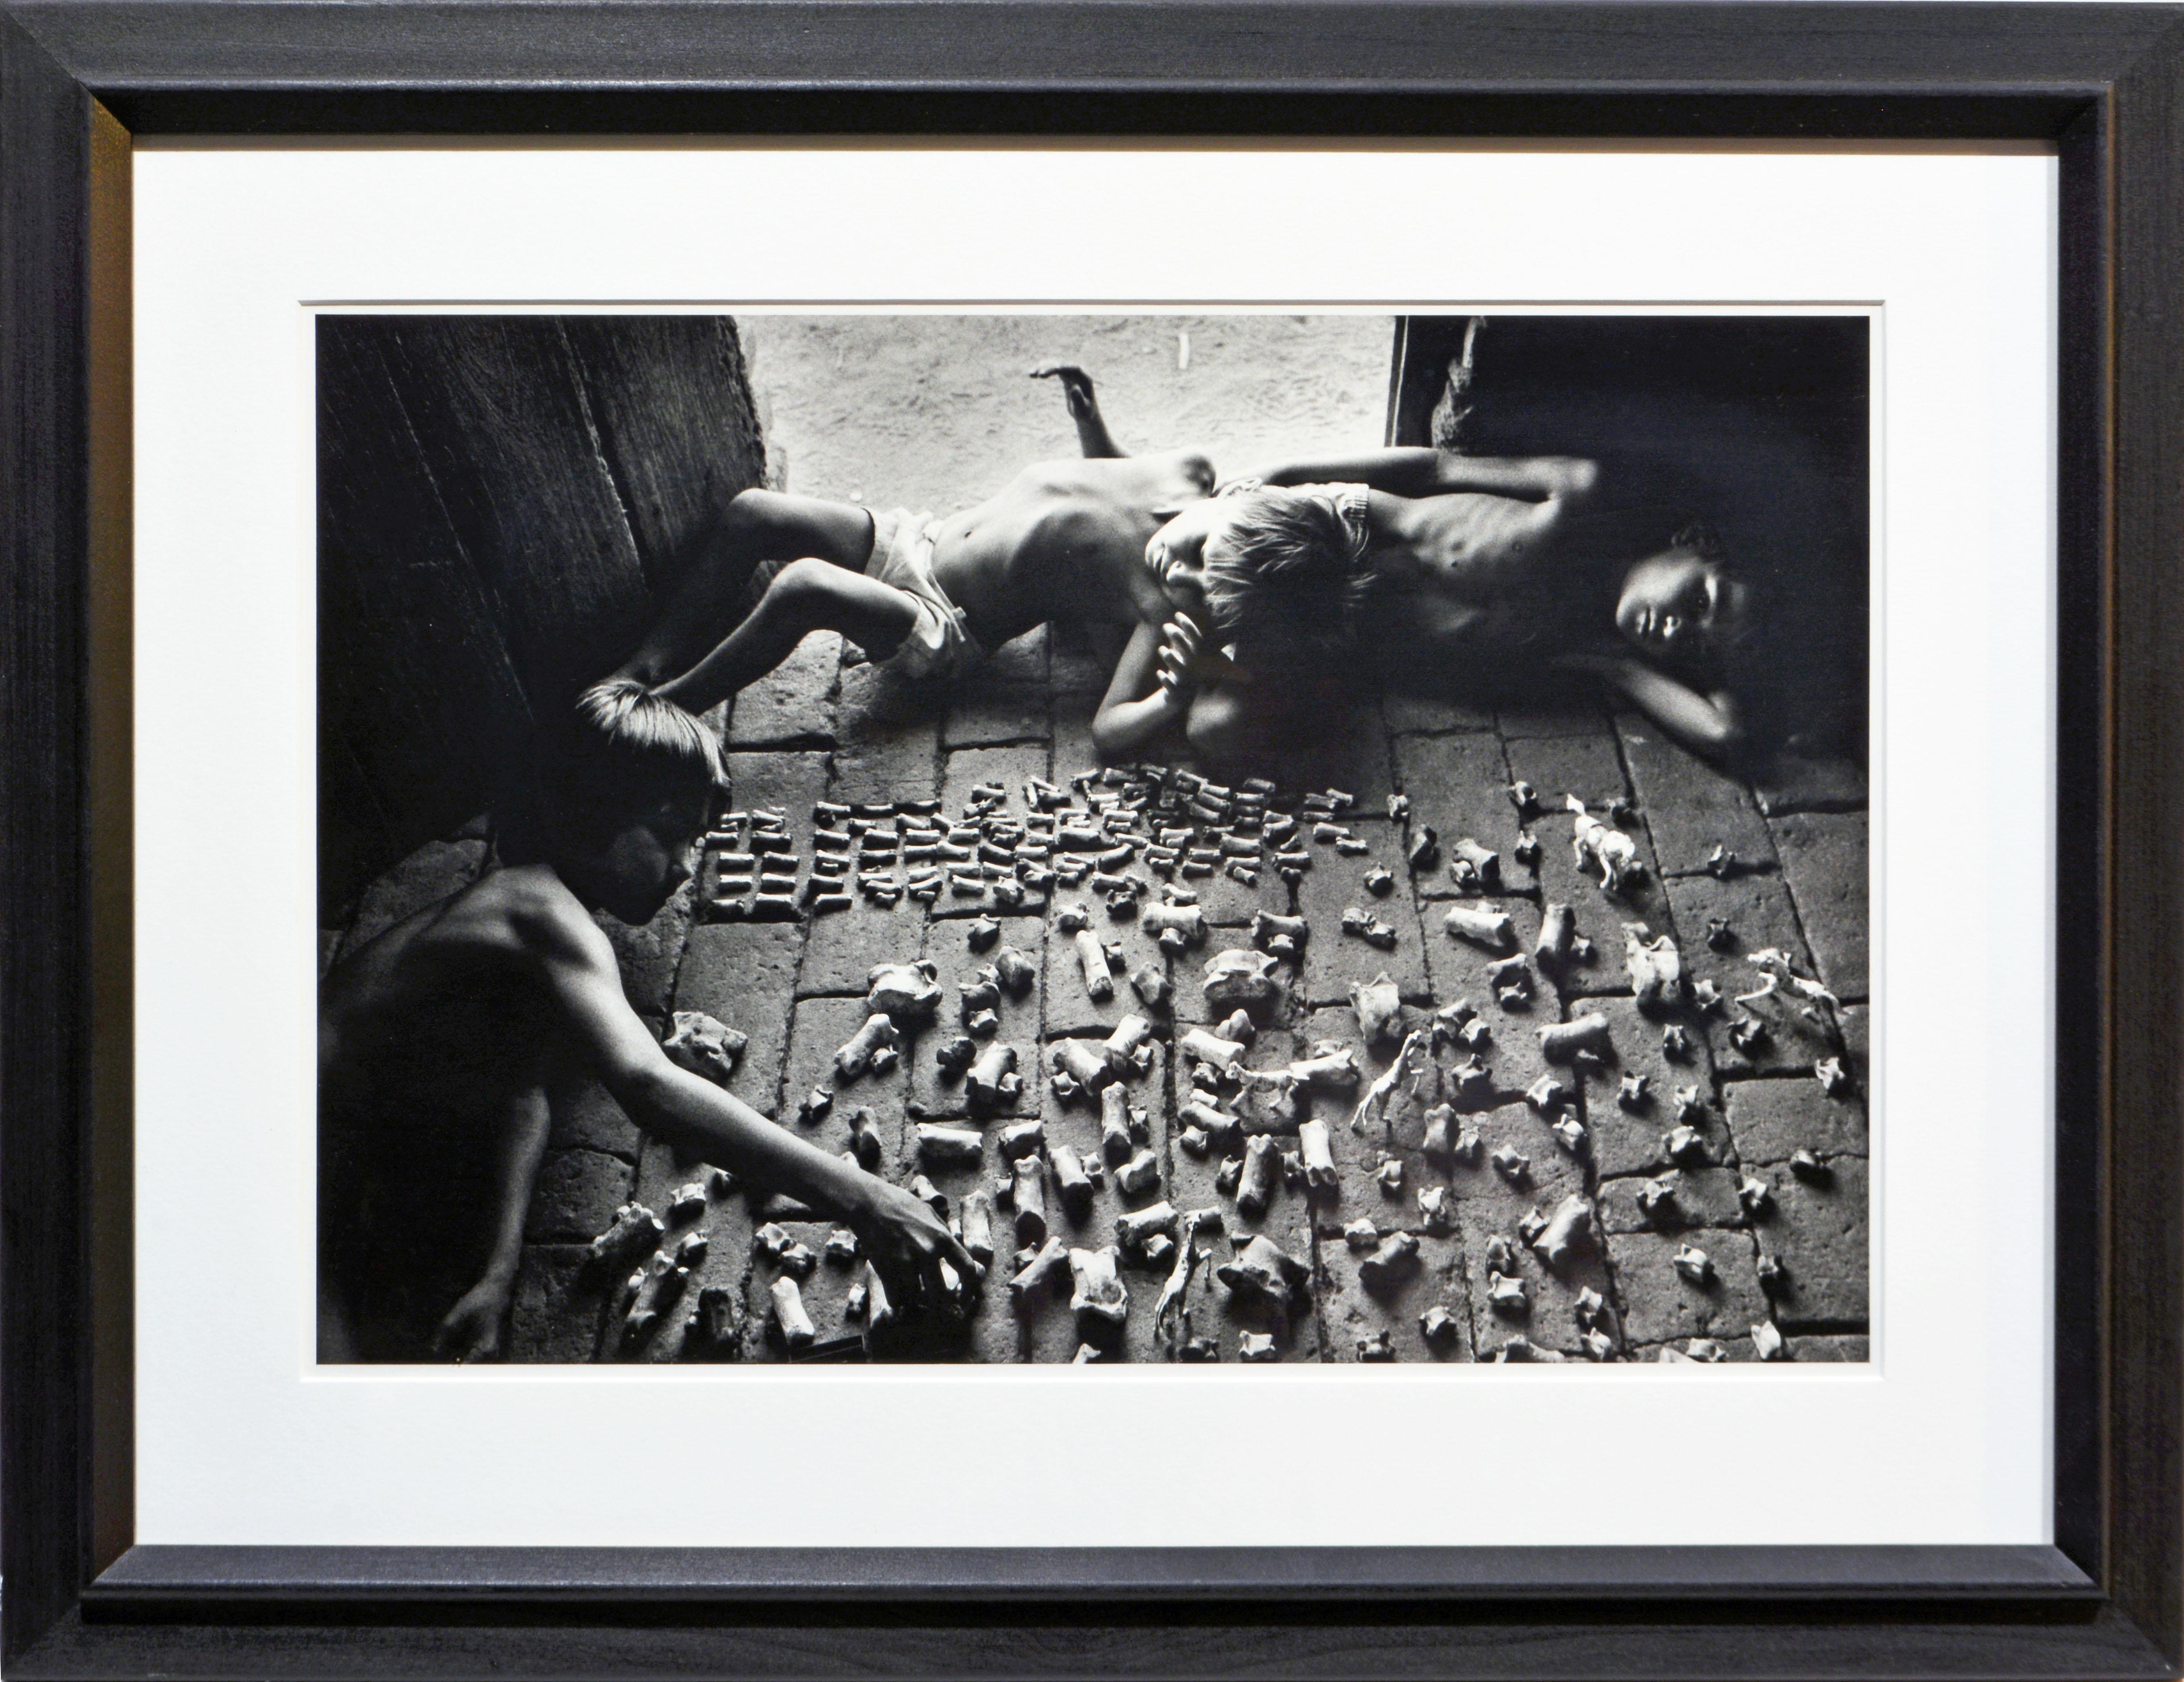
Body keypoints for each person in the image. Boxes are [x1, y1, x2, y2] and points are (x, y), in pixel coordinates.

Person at [317, 695, 978, 1363]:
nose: (687, 866)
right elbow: (647, 1083)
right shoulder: (537, 911)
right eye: (667, 835)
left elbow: (521, 1091)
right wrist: (863, 1198)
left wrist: (499, 1270)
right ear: (590, 813)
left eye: (693, 841)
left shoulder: (541, 918)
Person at [582, 365, 1372, 765]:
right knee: (754, 513)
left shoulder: (1167, 606)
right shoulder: (1192, 469)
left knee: (802, 589)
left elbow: (1107, 729)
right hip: (915, 540)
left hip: (943, 624)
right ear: (1229, 502)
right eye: (1202, 549)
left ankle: (665, 715)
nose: (1182, 567)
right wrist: (1092, 424)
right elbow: (1109, 482)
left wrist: (1172, 692)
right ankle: (642, 666)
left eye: (1206, 588)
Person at [1192, 444, 1756, 761]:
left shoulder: (1601, 650)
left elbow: (1722, 733)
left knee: (1214, 727)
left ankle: (1184, 643)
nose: (1682, 628)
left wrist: (1710, 663)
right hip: (1329, 531)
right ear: (1694, 543)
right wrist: (1291, 472)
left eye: (1698, 643)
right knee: (1187, 538)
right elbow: (1435, 467)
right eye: (1702, 600)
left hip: (1320, 632)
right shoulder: (1575, 495)